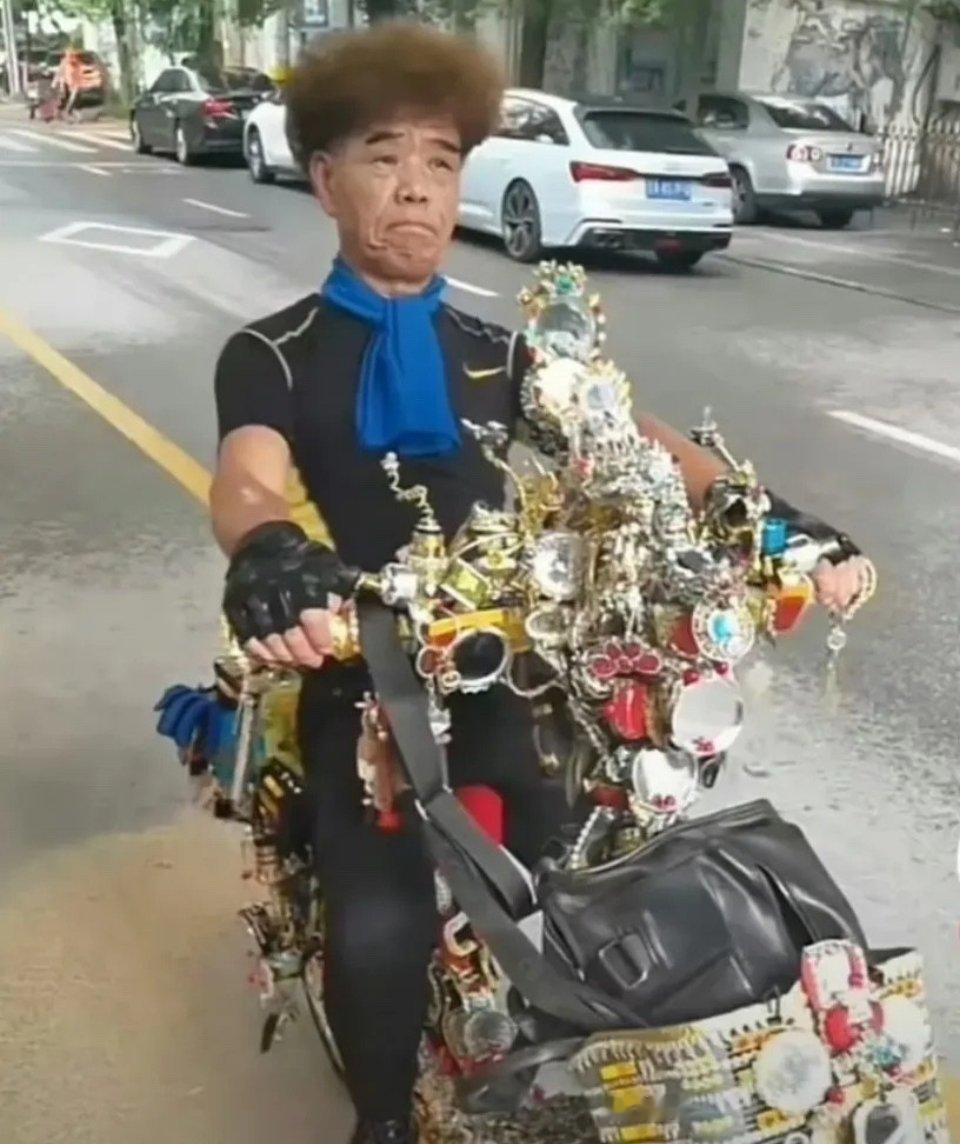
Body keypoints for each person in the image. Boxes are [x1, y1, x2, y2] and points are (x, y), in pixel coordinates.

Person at [210, 23, 870, 1143]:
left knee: (597, 858)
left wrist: (771, 522)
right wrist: (271, 553)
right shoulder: (273, 353)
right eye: (383, 157)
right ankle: (381, 1121)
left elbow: (637, 440)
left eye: (439, 160)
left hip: (520, 662)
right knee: (380, 912)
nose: (416, 188)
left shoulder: (502, 348)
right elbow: (245, 478)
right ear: (324, 180)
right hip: (370, 672)